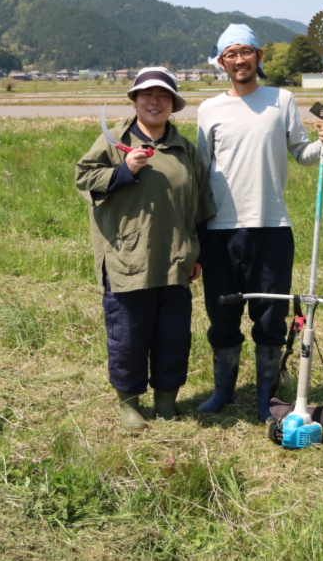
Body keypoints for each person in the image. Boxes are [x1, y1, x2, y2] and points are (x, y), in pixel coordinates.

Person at [196, 24, 323, 422]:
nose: (239, 60)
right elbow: (202, 170)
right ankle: (222, 391)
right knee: (222, 315)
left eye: (246, 52)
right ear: (221, 62)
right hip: (219, 229)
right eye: (231, 54)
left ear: (259, 56)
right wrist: (194, 229)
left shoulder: (282, 100)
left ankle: (266, 397)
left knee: (271, 317)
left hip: (272, 227)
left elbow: (302, 153)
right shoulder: (209, 110)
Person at [76, 67, 214, 430]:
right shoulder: (113, 142)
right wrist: (124, 171)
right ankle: (129, 403)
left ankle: (166, 400)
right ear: (135, 100)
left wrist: (198, 253)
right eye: (147, 95)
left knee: (173, 336)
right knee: (128, 335)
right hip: (127, 258)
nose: (155, 102)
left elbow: (200, 203)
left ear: (173, 105)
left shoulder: (185, 150)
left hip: (175, 260)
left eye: (164, 96)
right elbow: (84, 178)